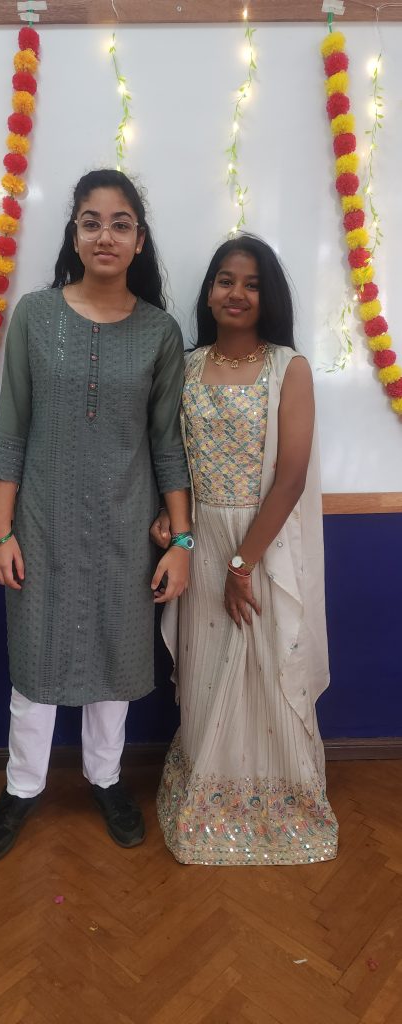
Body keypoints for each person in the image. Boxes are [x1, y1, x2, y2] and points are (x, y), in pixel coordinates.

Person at [0, 169, 192, 862]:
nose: (105, 235)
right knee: (34, 661)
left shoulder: (161, 332)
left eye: (120, 223)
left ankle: (106, 779)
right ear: (74, 235)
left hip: (128, 527)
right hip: (41, 524)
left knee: (116, 660)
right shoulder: (36, 316)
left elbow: (167, 445)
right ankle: (21, 787)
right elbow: (12, 428)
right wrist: (0, 531)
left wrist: (182, 540)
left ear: (139, 240)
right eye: (91, 222)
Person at [153, 235, 339, 866]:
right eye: (226, 281)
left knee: (267, 667)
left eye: (252, 284)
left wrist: (243, 563)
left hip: (263, 542)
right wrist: (169, 520)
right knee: (206, 676)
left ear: (269, 296)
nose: (237, 293)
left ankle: (281, 805)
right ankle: (206, 798)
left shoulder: (289, 367)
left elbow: (291, 476)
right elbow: (171, 458)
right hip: (200, 541)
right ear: (209, 291)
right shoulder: (184, 366)